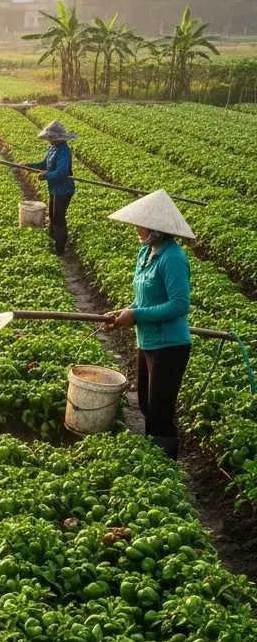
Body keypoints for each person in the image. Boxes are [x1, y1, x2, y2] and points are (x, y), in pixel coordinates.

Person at [103, 189, 195, 461]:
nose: (136, 227)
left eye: (141, 223)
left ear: (156, 228)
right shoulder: (146, 253)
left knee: (160, 411)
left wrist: (137, 315)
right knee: (145, 405)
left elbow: (180, 304)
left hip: (170, 345)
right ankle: (154, 464)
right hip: (148, 341)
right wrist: (125, 312)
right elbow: (142, 298)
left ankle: (165, 471)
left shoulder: (173, 258)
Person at [26, 120, 77, 255]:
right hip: (54, 187)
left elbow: (62, 172)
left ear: (55, 137)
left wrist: (46, 175)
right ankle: (54, 242)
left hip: (64, 189)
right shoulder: (53, 148)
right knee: (53, 216)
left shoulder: (64, 151)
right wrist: (28, 165)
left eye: (50, 137)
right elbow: (44, 164)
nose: (48, 140)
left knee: (59, 217)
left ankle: (60, 249)